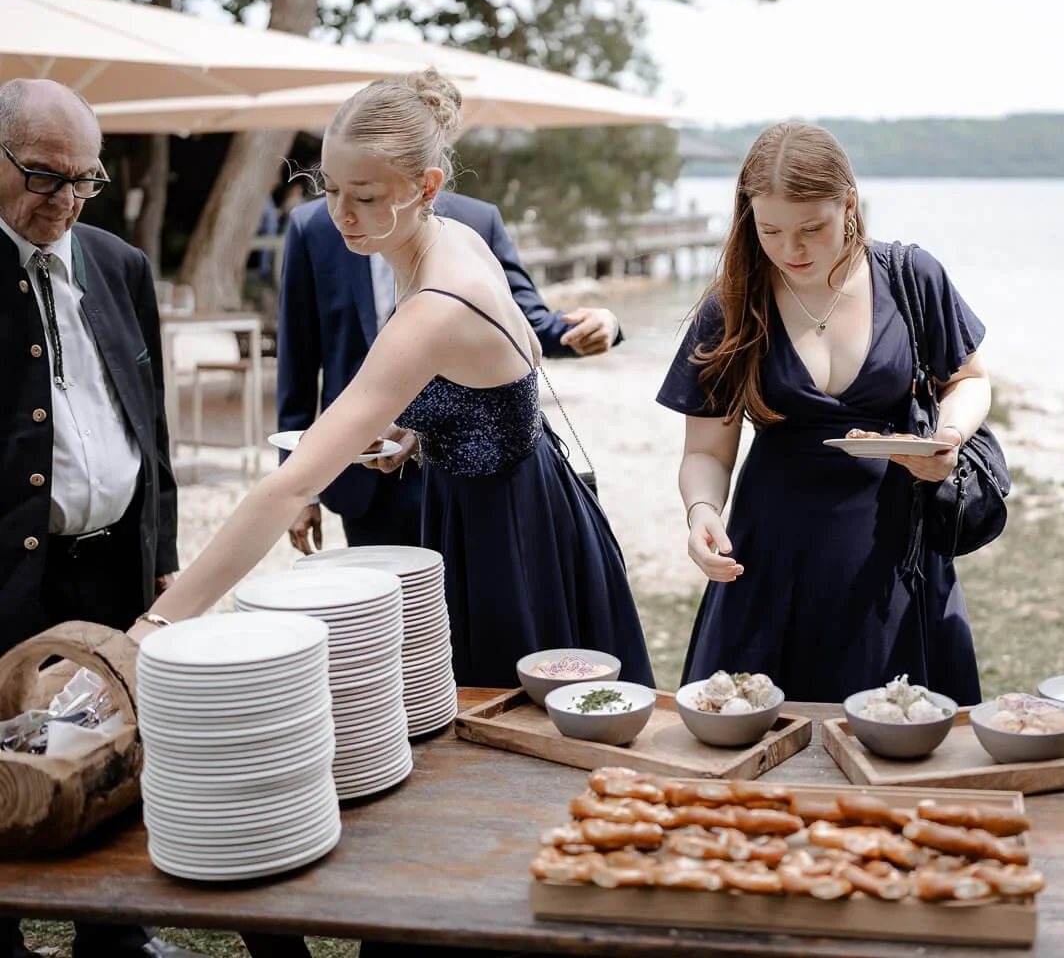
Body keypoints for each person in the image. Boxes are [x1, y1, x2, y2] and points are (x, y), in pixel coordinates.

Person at [138, 68, 654, 697]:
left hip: (505, 539)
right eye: (328, 190)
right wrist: (422, 426)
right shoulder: (453, 237)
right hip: (519, 500)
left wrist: (159, 621)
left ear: (426, 186)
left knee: (506, 724)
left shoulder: (433, 306)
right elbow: (494, 381)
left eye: (365, 196)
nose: (340, 215)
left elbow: (288, 486)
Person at [657, 122, 991, 704]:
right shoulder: (732, 304)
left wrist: (950, 435)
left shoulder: (911, 277)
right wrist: (702, 511)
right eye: (771, 230)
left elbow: (969, 380)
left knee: (900, 739)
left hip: (892, 545)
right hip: (768, 554)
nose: (793, 250)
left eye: (813, 227)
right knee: (750, 745)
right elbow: (707, 449)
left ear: (849, 204)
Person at [0, 79, 201, 958]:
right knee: (6, 757)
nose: (66, 202)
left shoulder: (120, 263)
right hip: (8, 572)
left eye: (86, 181)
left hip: (115, 562)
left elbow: (148, 422)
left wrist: (165, 551)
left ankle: (118, 934)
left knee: (117, 748)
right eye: (45, 178)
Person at [278, 184, 623, 554]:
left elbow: (522, 321)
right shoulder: (311, 226)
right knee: (389, 608)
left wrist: (604, 324)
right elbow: (296, 367)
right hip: (364, 477)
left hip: (466, 474)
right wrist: (299, 491)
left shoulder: (476, 220)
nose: (342, 207)